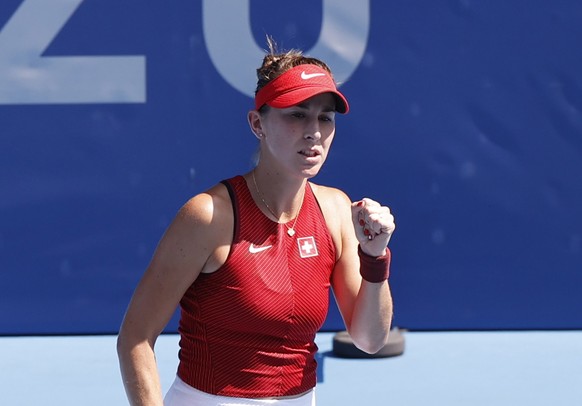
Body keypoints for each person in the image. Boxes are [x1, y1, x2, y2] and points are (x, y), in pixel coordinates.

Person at [117, 38, 396, 406]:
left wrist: (374, 257)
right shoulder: (209, 216)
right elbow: (135, 337)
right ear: (257, 124)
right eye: (297, 114)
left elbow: (370, 340)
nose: (313, 130)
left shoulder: (335, 210)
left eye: (324, 118)